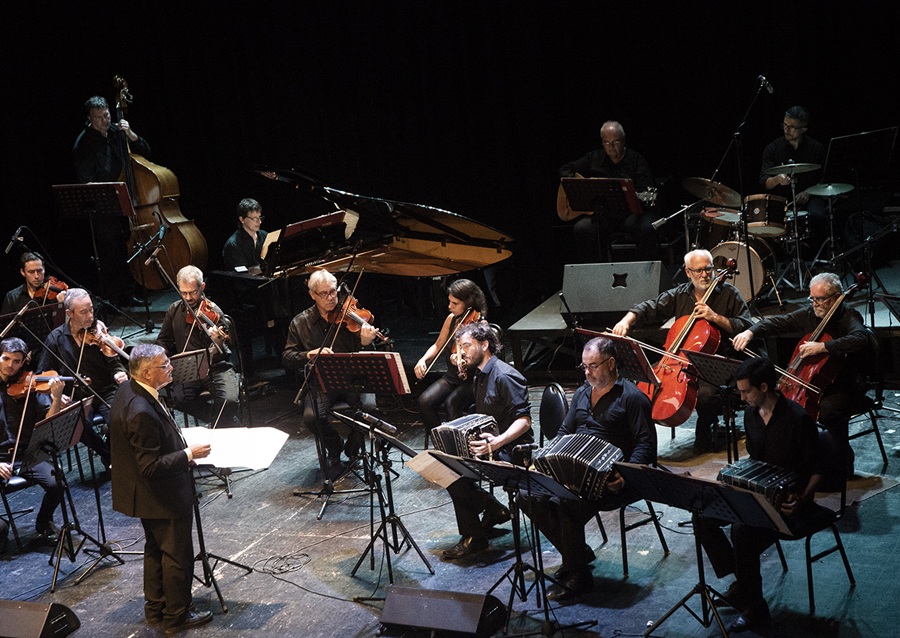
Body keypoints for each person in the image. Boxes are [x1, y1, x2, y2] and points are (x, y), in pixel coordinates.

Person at [522, 336, 656, 600]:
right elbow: (564, 430)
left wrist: (624, 476)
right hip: (575, 472)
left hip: (613, 479)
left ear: (611, 363)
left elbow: (646, 446)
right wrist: (547, 460)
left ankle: (580, 577)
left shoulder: (632, 398)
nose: (587, 372)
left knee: (566, 504)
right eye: (584, 366)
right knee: (527, 496)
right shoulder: (583, 392)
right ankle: (576, 556)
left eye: (593, 366)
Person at [699, 357, 821, 632]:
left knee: (742, 532)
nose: (741, 397)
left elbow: (818, 470)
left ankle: (755, 609)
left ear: (764, 387)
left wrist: (802, 499)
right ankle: (743, 584)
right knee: (703, 516)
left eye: (745, 391)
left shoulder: (798, 419)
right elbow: (755, 460)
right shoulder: (751, 414)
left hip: (792, 504)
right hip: (759, 496)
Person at [109, 344, 213, 633]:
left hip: (145, 496)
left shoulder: (130, 390)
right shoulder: (140, 409)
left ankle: (155, 609)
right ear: (145, 372)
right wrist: (189, 454)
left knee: (155, 551)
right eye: (164, 365)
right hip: (162, 495)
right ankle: (177, 616)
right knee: (177, 556)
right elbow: (150, 466)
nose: (170, 368)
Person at [612, 249, 753, 453]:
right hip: (679, 363)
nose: (705, 275)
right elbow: (650, 307)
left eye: (708, 269)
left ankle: (703, 434)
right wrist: (626, 321)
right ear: (688, 272)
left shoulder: (730, 294)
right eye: (698, 271)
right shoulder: (680, 294)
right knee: (642, 382)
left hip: (717, 361)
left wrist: (715, 317)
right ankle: (642, 440)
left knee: (705, 395)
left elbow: (746, 325)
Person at [732, 272, 870, 474]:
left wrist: (824, 347)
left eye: (820, 299)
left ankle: (842, 461)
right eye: (812, 298)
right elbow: (778, 322)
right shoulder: (810, 314)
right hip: (813, 384)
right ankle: (793, 461)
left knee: (827, 411)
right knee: (782, 406)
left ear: (836, 297)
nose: (815, 304)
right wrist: (750, 331)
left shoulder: (848, 316)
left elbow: (861, 338)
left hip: (845, 384)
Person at [441, 320, 532, 560]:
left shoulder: (505, 375)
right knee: (446, 465)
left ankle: (475, 536)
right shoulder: (479, 375)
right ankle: (493, 509)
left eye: (468, 346)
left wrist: (498, 442)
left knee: (456, 477)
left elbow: (524, 421)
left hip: (513, 450)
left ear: (485, 344)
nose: (463, 352)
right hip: (492, 445)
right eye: (461, 347)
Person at [281, 270, 376, 477]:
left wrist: (366, 342)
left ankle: (354, 446)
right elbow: (287, 357)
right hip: (322, 383)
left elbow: (368, 358)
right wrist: (309, 354)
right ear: (312, 294)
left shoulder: (350, 317)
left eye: (333, 292)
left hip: (354, 381)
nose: (331, 298)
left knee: (369, 408)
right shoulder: (300, 323)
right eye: (323, 294)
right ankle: (334, 446)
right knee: (311, 416)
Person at [72, 96, 150, 307]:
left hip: (129, 201)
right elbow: (86, 180)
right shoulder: (83, 145)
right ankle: (114, 299)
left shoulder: (118, 132)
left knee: (127, 248)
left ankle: (129, 292)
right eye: (98, 117)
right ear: (89, 119)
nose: (104, 120)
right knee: (110, 253)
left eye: (106, 115)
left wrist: (131, 135)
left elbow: (145, 153)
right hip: (104, 207)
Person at [38, 288, 129, 468]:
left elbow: (113, 361)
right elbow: (43, 374)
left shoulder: (98, 332)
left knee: (118, 419)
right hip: (76, 397)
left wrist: (118, 372)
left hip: (104, 390)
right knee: (77, 427)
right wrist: (53, 394)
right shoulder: (55, 339)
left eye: (91, 310)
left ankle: (110, 449)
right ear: (69, 313)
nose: (90, 316)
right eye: (83, 312)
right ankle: (108, 455)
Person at [0, 337, 66, 549]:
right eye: (5, 359)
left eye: (17, 361)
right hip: (1, 459)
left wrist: (56, 398)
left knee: (57, 483)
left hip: (28, 453)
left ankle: (43, 523)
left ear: (23, 362)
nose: (10, 366)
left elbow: (49, 422)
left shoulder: (32, 386)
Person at [559, 120, 658, 263]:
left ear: (623, 141)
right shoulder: (594, 158)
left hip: (629, 216)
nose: (611, 147)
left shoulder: (637, 160)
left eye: (615, 142)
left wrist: (634, 197)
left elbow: (646, 191)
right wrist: (581, 185)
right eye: (606, 142)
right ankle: (594, 274)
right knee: (582, 228)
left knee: (647, 228)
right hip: (604, 216)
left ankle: (643, 274)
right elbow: (564, 169)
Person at [156, 266, 240, 426]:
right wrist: (164, 356)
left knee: (228, 400)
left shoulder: (214, 311)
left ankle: (219, 424)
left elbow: (230, 344)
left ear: (202, 287)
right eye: (183, 293)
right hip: (189, 369)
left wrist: (217, 340)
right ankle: (219, 423)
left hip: (216, 366)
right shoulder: (173, 311)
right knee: (179, 400)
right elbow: (163, 340)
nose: (188, 298)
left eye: (193, 292)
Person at [414, 279, 487, 443]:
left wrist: (464, 360)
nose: (450, 306)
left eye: (455, 303)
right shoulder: (451, 319)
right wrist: (423, 360)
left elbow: (480, 359)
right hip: (453, 376)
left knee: (451, 402)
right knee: (424, 401)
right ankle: (442, 444)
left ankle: (461, 447)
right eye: (450, 302)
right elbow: (438, 344)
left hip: (472, 380)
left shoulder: (480, 324)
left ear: (468, 302)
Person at [759, 105, 827, 247]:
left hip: (809, 197)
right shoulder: (772, 149)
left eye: (791, 127)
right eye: (784, 125)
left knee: (818, 216)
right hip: (781, 199)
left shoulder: (816, 148)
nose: (786, 130)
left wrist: (808, 192)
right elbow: (764, 182)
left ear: (803, 129)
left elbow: (824, 180)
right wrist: (777, 179)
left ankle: (815, 257)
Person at [1, 252, 66, 315]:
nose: (36, 276)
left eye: (39, 271)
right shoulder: (12, 297)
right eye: (31, 272)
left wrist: (62, 305)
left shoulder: (55, 294)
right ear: (23, 272)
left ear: (44, 268)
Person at [222, 198, 268, 271]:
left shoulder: (265, 236)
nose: (259, 222)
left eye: (260, 218)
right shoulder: (233, 245)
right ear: (242, 219)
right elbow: (242, 276)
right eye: (254, 219)